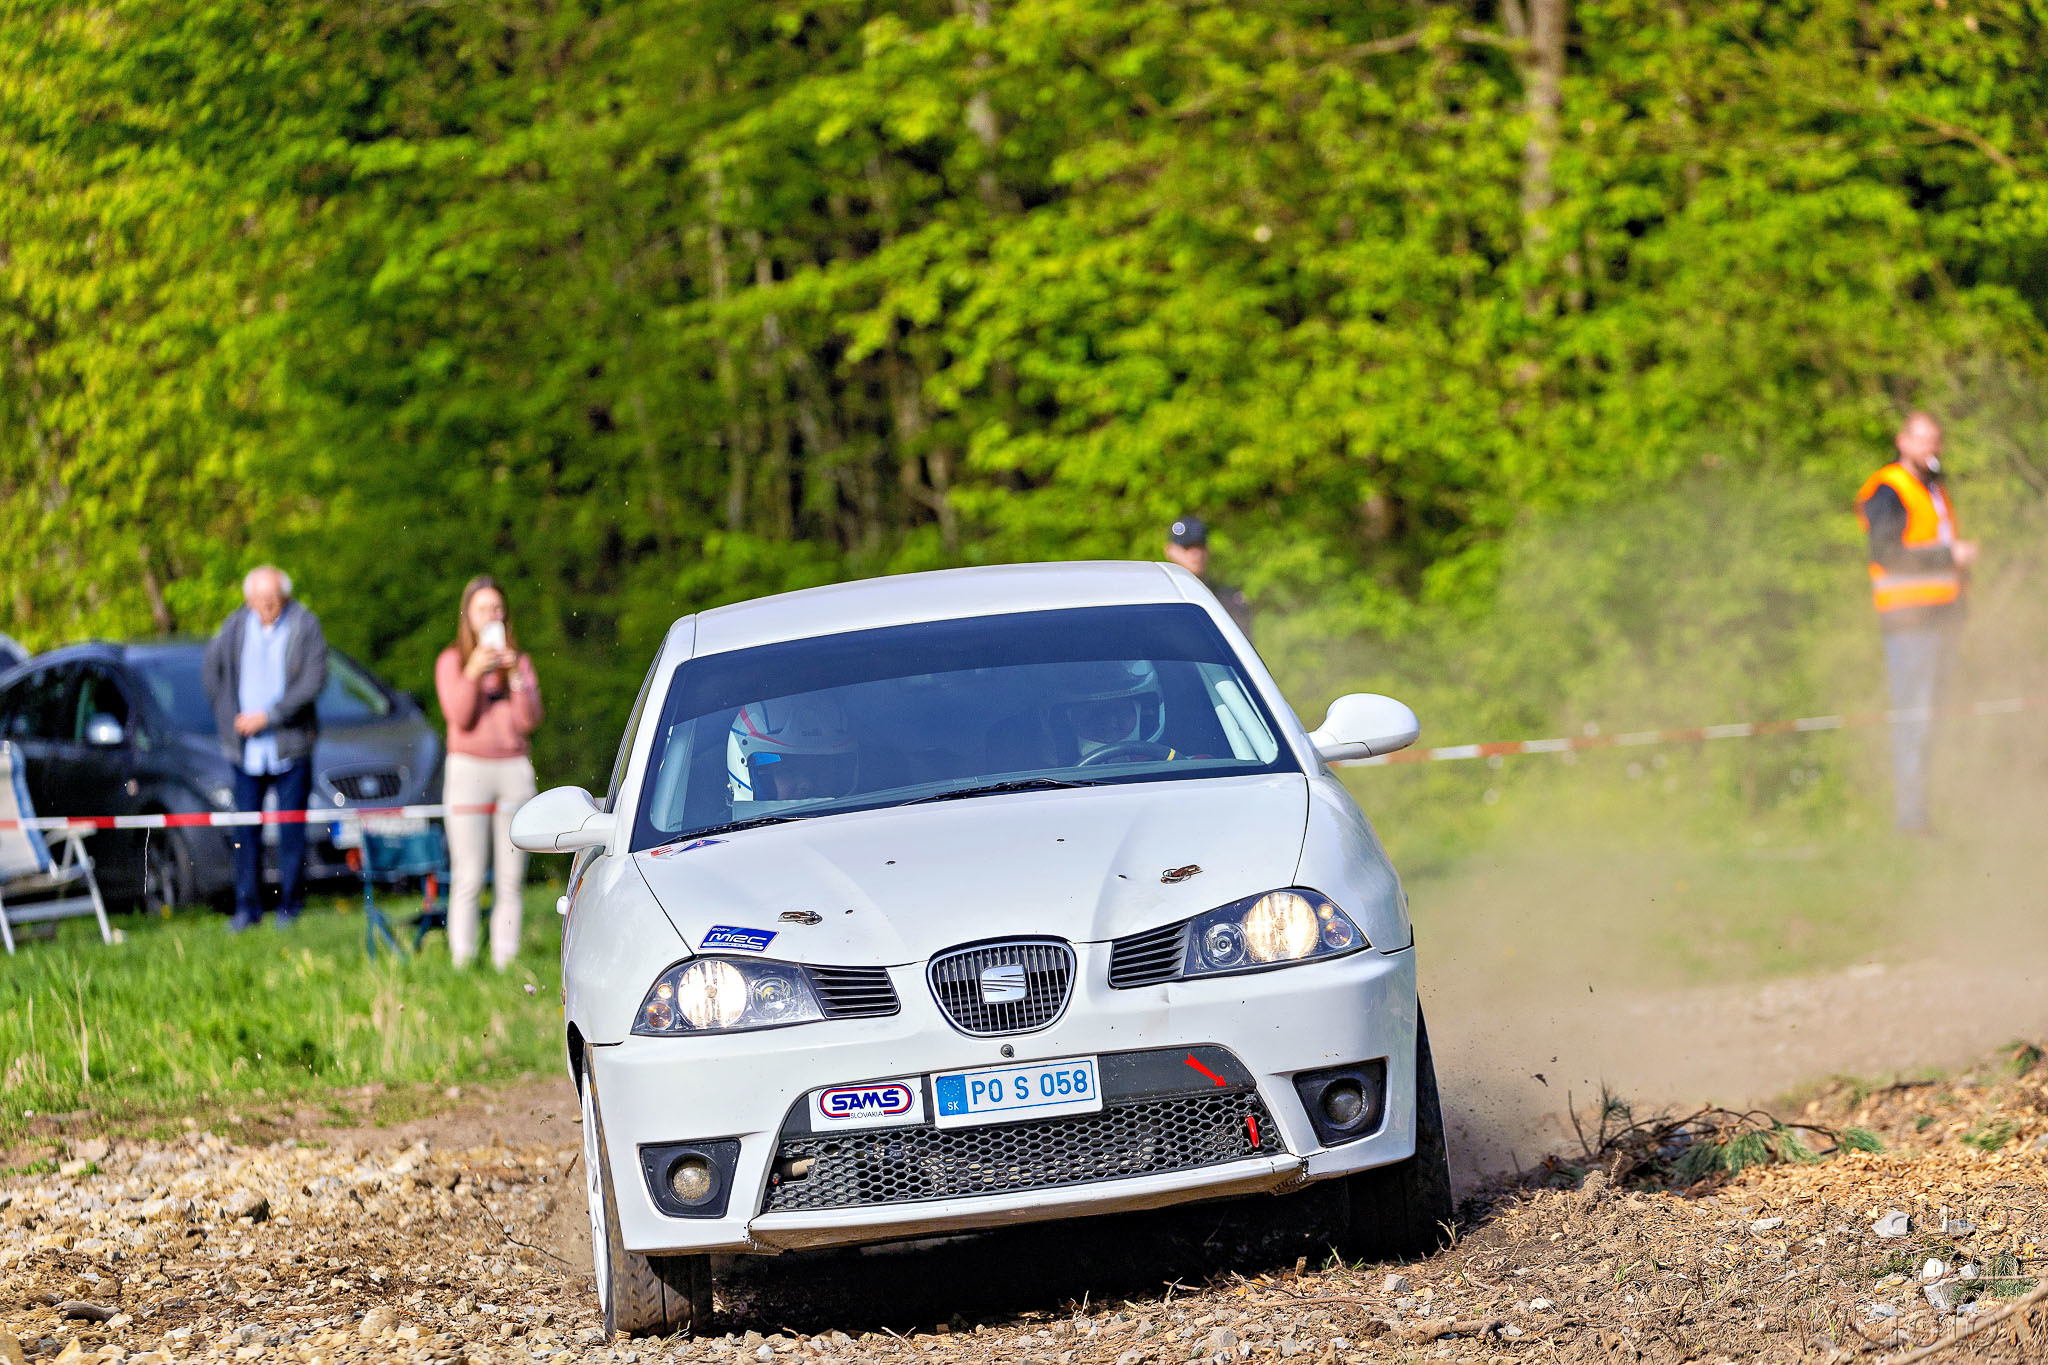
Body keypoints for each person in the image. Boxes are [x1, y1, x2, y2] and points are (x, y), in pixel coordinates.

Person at [1854, 412, 1978, 833]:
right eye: (1923, 439)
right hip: (1909, 625)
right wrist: (1948, 556)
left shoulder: (1934, 489)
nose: (1932, 448)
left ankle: (1925, 813)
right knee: (1915, 718)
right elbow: (1885, 553)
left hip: (1942, 619)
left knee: (1934, 719)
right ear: (1902, 442)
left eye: (1936, 440)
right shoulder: (1889, 489)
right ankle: (1910, 819)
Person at [202, 566, 329, 931]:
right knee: (246, 832)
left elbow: (313, 681)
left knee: (291, 833)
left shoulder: (305, 625)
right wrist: (229, 717)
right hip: (246, 752)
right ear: (248, 599)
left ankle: (290, 906)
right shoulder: (234, 626)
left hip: (291, 746)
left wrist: (269, 717)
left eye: (272, 598)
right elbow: (211, 673)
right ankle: (247, 908)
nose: (266, 604)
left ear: (284, 596)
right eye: (259, 599)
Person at [435, 576, 543, 969]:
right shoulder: (452, 661)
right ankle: (462, 960)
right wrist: (474, 672)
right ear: (468, 616)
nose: (491, 615)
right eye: (483, 609)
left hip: (513, 769)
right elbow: (459, 716)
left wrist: (515, 677)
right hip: (468, 770)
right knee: (468, 873)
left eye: (497, 608)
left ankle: (505, 960)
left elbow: (529, 720)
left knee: (511, 878)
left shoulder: (520, 661)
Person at [1165, 515, 1255, 639]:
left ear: (1208, 550)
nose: (1196, 553)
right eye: (1187, 547)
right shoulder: (1159, 599)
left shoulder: (1230, 599)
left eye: (1200, 546)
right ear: (1170, 551)